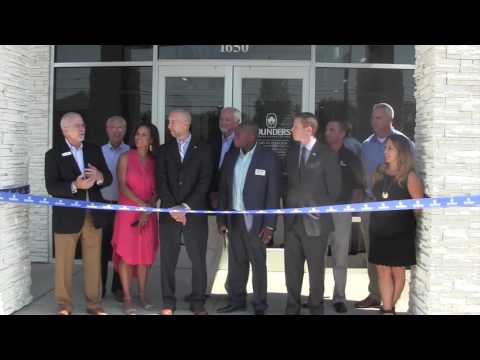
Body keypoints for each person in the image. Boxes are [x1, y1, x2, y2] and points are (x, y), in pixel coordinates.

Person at [45, 112, 112, 315]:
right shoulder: (53, 154)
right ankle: (64, 305)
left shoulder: (93, 150)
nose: (82, 128)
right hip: (67, 217)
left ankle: (94, 304)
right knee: (64, 264)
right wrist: (75, 185)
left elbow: (107, 177)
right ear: (65, 130)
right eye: (77, 126)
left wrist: (100, 177)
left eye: (83, 125)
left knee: (93, 263)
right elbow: (52, 187)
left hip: (93, 215)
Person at [216, 122, 281, 315]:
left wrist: (270, 226)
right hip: (234, 218)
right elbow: (223, 190)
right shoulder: (231, 156)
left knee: (258, 263)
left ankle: (260, 304)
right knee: (236, 262)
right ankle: (236, 300)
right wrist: (221, 218)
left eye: (239, 133)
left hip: (257, 221)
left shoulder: (268, 158)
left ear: (252, 136)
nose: (235, 136)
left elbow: (273, 194)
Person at [356, 103, 415, 309]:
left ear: (390, 119)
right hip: (372, 204)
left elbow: (410, 174)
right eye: (372, 117)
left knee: (395, 265)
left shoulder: (404, 143)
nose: (373, 121)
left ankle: (389, 304)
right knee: (373, 255)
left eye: (378, 118)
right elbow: (364, 175)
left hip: (397, 214)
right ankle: (375, 294)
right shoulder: (366, 144)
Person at [156, 110, 213, 315]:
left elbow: (205, 180)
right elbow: (160, 180)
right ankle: (168, 302)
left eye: (172, 122)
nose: (169, 125)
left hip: (194, 213)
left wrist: (186, 207)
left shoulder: (204, 149)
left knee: (198, 259)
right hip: (169, 214)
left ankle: (198, 302)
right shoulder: (163, 150)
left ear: (186, 123)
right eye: (168, 121)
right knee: (168, 260)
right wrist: (173, 207)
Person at [284, 112, 342, 315]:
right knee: (292, 271)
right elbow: (288, 185)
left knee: (316, 272)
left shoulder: (326, 154)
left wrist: (314, 207)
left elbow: (334, 189)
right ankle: (292, 308)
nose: (292, 130)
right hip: (292, 222)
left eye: (295, 126)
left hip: (316, 223)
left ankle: (316, 308)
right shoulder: (291, 153)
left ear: (309, 129)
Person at [369, 134, 424, 314]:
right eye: (385, 148)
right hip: (378, 230)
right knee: (382, 271)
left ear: (402, 152)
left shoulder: (410, 176)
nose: (385, 152)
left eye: (390, 148)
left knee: (398, 272)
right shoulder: (378, 171)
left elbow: (418, 207)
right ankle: (387, 308)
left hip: (400, 232)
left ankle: (388, 308)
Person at [111, 123, 160, 315]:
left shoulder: (155, 161)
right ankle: (127, 297)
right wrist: (142, 205)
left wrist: (148, 209)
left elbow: (158, 189)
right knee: (126, 254)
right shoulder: (125, 157)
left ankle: (142, 294)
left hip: (148, 213)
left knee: (144, 257)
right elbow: (122, 186)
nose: (139, 137)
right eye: (137, 134)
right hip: (128, 212)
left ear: (151, 140)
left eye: (144, 135)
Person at [324, 119, 364, 313]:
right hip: (319, 213)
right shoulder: (319, 154)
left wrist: (351, 209)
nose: (327, 132)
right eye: (327, 129)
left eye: (332, 129)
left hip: (341, 213)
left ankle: (339, 297)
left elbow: (358, 186)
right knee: (317, 256)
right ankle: (315, 295)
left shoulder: (351, 157)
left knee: (340, 255)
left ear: (342, 134)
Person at [100, 115, 129, 302]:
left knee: (121, 250)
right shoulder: (98, 151)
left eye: (121, 127)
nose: (117, 131)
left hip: (124, 208)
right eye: (113, 127)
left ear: (125, 130)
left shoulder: (131, 152)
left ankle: (119, 287)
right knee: (101, 249)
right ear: (107, 129)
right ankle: (99, 287)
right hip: (103, 205)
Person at [209, 107, 242, 209]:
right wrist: (212, 193)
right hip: (212, 197)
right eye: (221, 119)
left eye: (227, 120)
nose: (223, 123)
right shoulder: (212, 140)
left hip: (234, 197)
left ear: (237, 123)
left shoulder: (243, 142)